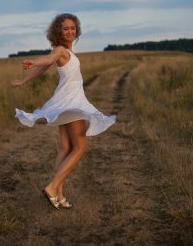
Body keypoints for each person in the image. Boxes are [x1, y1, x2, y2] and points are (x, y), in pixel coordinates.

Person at [12, 13, 116, 210]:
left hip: (66, 103)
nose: (70, 31)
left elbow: (45, 67)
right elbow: (48, 59)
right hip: (71, 104)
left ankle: (58, 194)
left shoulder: (66, 51)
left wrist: (24, 81)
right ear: (58, 31)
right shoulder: (59, 49)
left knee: (66, 148)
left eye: (73, 28)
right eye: (65, 28)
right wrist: (34, 62)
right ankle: (52, 187)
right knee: (80, 148)